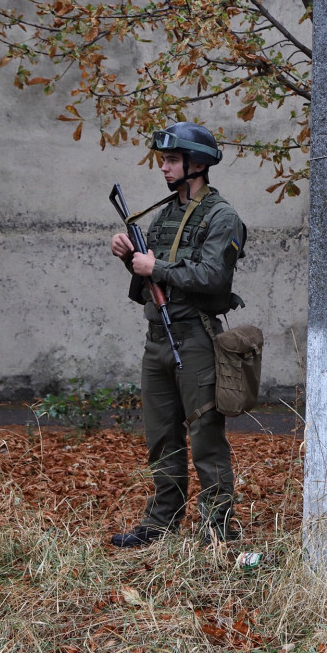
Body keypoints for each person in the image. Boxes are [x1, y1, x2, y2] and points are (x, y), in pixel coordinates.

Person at [109, 121, 246, 548]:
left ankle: (218, 530)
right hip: (158, 341)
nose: (164, 168)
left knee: (206, 438)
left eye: (171, 160)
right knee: (161, 437)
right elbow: (150, 283)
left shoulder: (222, 217)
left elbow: (214, 277)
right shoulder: (164, 215)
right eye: (164, 160)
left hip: (196, 340)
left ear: (197, 164)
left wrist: (156, 267)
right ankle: (160, 523)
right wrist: (131, 258)